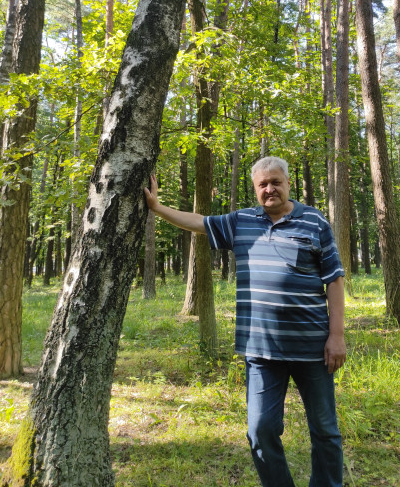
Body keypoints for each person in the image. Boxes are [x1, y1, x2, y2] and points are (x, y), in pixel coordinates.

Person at [144, 156, 346, 487]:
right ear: (255, 189)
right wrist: (157, 207)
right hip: (261, 350)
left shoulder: (314, 221)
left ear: (288, 183)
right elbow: (198, 222)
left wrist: (336, 336)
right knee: (260, 430)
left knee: (324, 429)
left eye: (275, 182)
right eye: (262, 184)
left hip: (313, 348)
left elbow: (334, 280)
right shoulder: (242, 222)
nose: (269, 189)